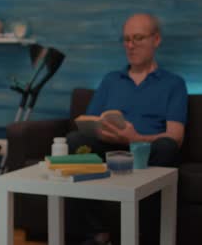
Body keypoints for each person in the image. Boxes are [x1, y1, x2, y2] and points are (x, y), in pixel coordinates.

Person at [66, 13, 188, 245]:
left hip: (147, 148)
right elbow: (90, 120)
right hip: (110, 146)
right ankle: (96, 234)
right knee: (75, 140)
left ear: (156, 40)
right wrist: (101, 131)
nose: (130, 46)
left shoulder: (174, 83)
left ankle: (145, 236)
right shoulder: (111, 80)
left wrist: (136, 138)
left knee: (167, 146)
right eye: (126, 39)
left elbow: (176, 135)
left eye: (138, 38)